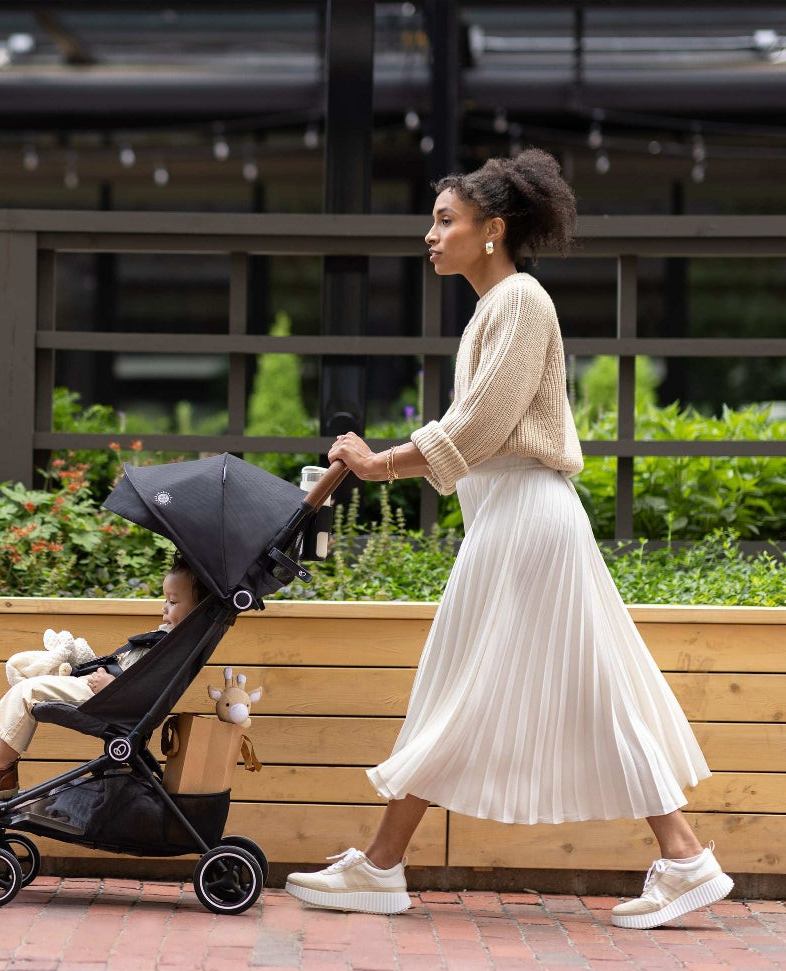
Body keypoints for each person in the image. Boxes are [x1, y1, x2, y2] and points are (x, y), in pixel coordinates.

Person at [284, 148, 733, 930]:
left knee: (461, 687)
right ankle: (686, 857)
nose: (429, 234)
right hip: (522, 523)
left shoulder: (520, 300)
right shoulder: (501, 307)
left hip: (527, 525)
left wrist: (377, 462)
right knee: (595, 694)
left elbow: (484, 425)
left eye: (444, 220)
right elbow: (480, 427)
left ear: (492, 230)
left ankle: (382, 867)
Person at [0, 553, 207, 802]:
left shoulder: (179, 644)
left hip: (113, 701)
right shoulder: (176, 639)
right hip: (108, 690)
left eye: (173, 602)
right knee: (25, 672)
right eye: (165, 600)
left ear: (198, 611)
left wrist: (115, 688)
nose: (164, 607)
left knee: (27, 692)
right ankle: (0, 769)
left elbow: (155, 688)